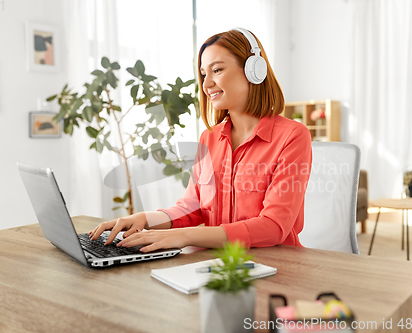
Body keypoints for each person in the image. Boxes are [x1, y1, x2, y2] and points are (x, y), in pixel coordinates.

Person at [89, 28, 312, 253]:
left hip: (277, 263)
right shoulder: (210, 138)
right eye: (204, 74)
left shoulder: (292, 136)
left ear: (254, 70)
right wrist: (145, 219)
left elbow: (274, 226)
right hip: (220, 263)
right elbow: (192, 207)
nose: (206, 85)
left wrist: (183, 236)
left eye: (217, 70)